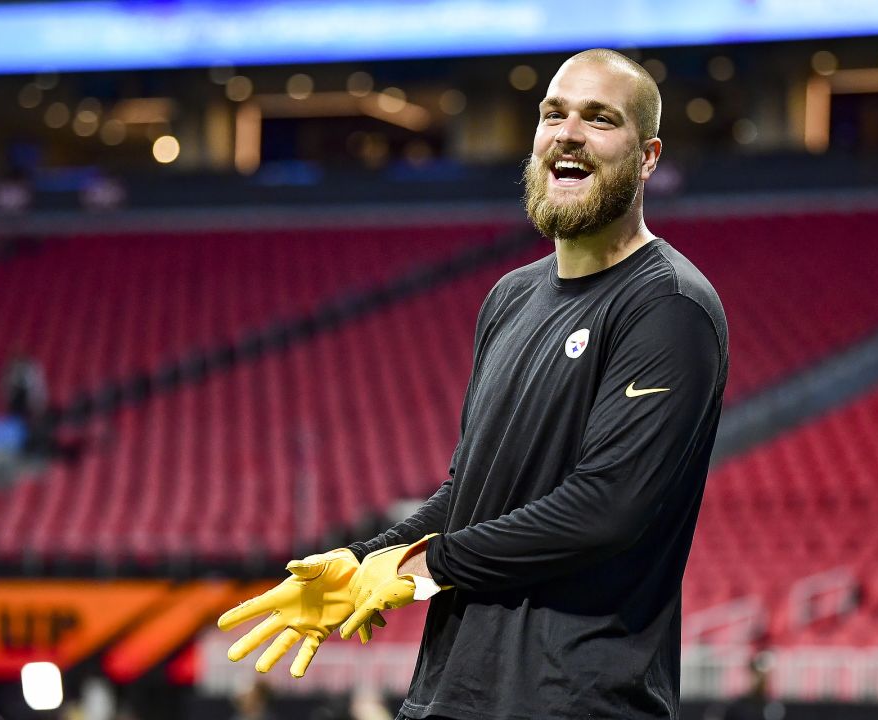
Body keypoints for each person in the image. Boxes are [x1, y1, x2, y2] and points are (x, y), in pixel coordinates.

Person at [219, 48, 729, 720]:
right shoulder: (510, 298)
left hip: (575, 701)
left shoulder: (668, 304)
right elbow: (473, 492)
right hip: (448, 694)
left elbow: (608, 507)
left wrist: (420, 567)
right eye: (554, 115)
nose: (568, 132)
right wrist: (362, 560)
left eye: (600, 119)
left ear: (648, 157)